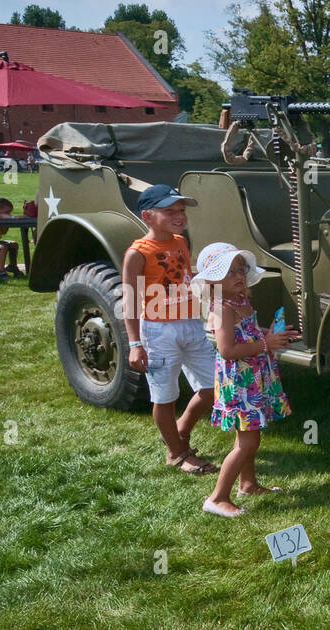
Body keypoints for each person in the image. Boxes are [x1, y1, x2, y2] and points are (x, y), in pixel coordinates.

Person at [192, 243, 296, 518]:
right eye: (229, 272)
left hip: (253, 379)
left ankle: (247, 484)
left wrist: (269, 333)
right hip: (240, 383)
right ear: (213, 280)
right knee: (247, 443)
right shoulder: (221, 308)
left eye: (241, 269)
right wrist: (266, 344)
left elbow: (247, 333)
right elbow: (227, 350)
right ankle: (217, 497)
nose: (238, 275)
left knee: (251, 435)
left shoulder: (241, 302)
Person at [122, 184, 219, 476]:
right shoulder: (137, 253)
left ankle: (181, 433)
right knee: (164, 395)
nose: (179, 216)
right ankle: (176, 453)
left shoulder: (180, 242)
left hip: (191, 325)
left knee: (214, 384)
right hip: (158, 332)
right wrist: (135, 343)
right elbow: (129, 300)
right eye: (169, 211)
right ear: (148, 216)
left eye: (181, 210)